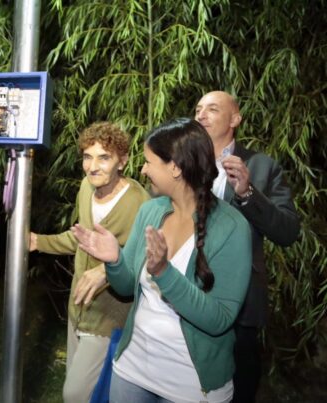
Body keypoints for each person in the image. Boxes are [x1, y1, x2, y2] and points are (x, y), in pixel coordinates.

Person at [71, 118, 252, 403]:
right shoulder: (151, 211)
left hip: (192, 387)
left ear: (175, 168)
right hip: (132, 371)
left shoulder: (232, 228)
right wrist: (115, 260)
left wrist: (165, 273)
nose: (143, 170)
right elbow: (126, 287)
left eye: (148, 162)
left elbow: (219, 319)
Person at [30, 122, 149, 402]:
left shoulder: (140, 203)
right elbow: (81, 238)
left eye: (103, 157)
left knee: (75, 394)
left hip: (108, 317)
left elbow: (145, 261)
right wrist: (39, 242)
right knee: (83, 391)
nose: (92, 167)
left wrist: (108, 270)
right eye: (87, 157)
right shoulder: (85, 187)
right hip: (78, 308)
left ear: (122, 161)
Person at [195, 91, 300, 402]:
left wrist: (247, 193)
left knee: (238, 390)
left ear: (235, 119)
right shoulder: (181, 162)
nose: (201, 115)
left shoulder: (262, 166)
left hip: (239, 306)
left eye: (212, 109)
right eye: (198, 109)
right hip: (185, 296)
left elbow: (288, 231)